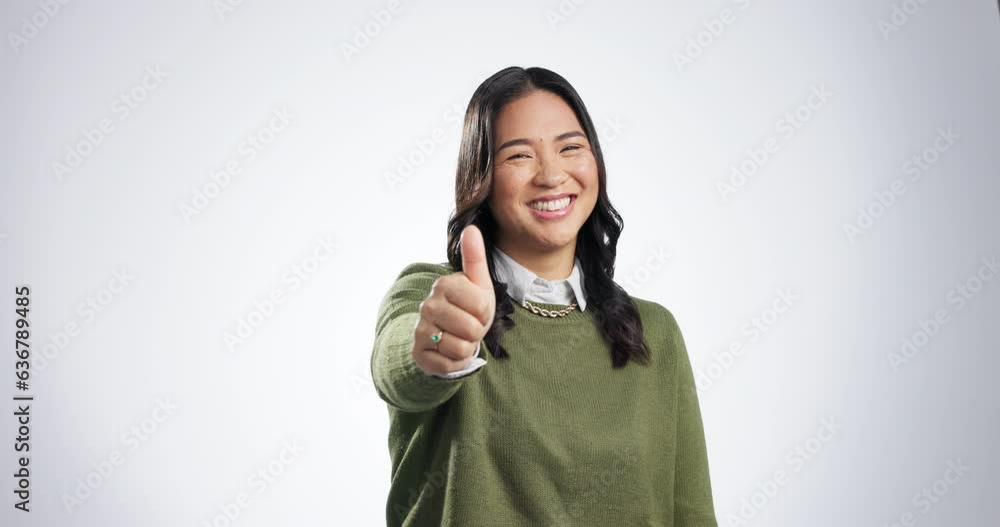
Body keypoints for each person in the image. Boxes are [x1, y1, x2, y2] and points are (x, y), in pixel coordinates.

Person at [371, 65, 718, 526]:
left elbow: (691, 513)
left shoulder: (654, 331)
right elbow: (398, 367)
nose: (552, 175)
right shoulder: (434, 295)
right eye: (519, 157)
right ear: (483, 177)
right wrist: (436, 349)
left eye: (571, 148)